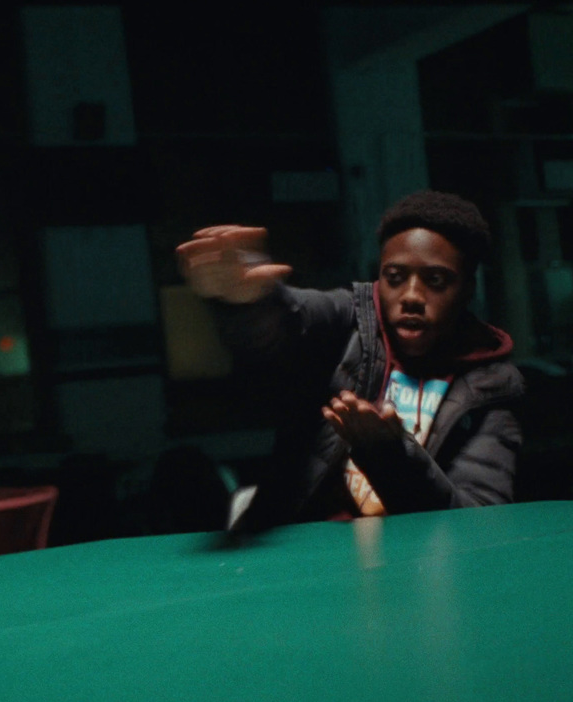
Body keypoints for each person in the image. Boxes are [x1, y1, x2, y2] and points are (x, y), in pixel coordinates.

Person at [176, 190, 524, 531]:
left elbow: (479, 524)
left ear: (467, 289)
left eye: (435, 280)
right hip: (303, 560)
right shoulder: (350, 321)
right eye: (395, 278)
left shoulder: (490, 385)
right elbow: (287, 320)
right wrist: (244, 299)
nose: (412, 296)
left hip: (414, 570)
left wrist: (388, 454)